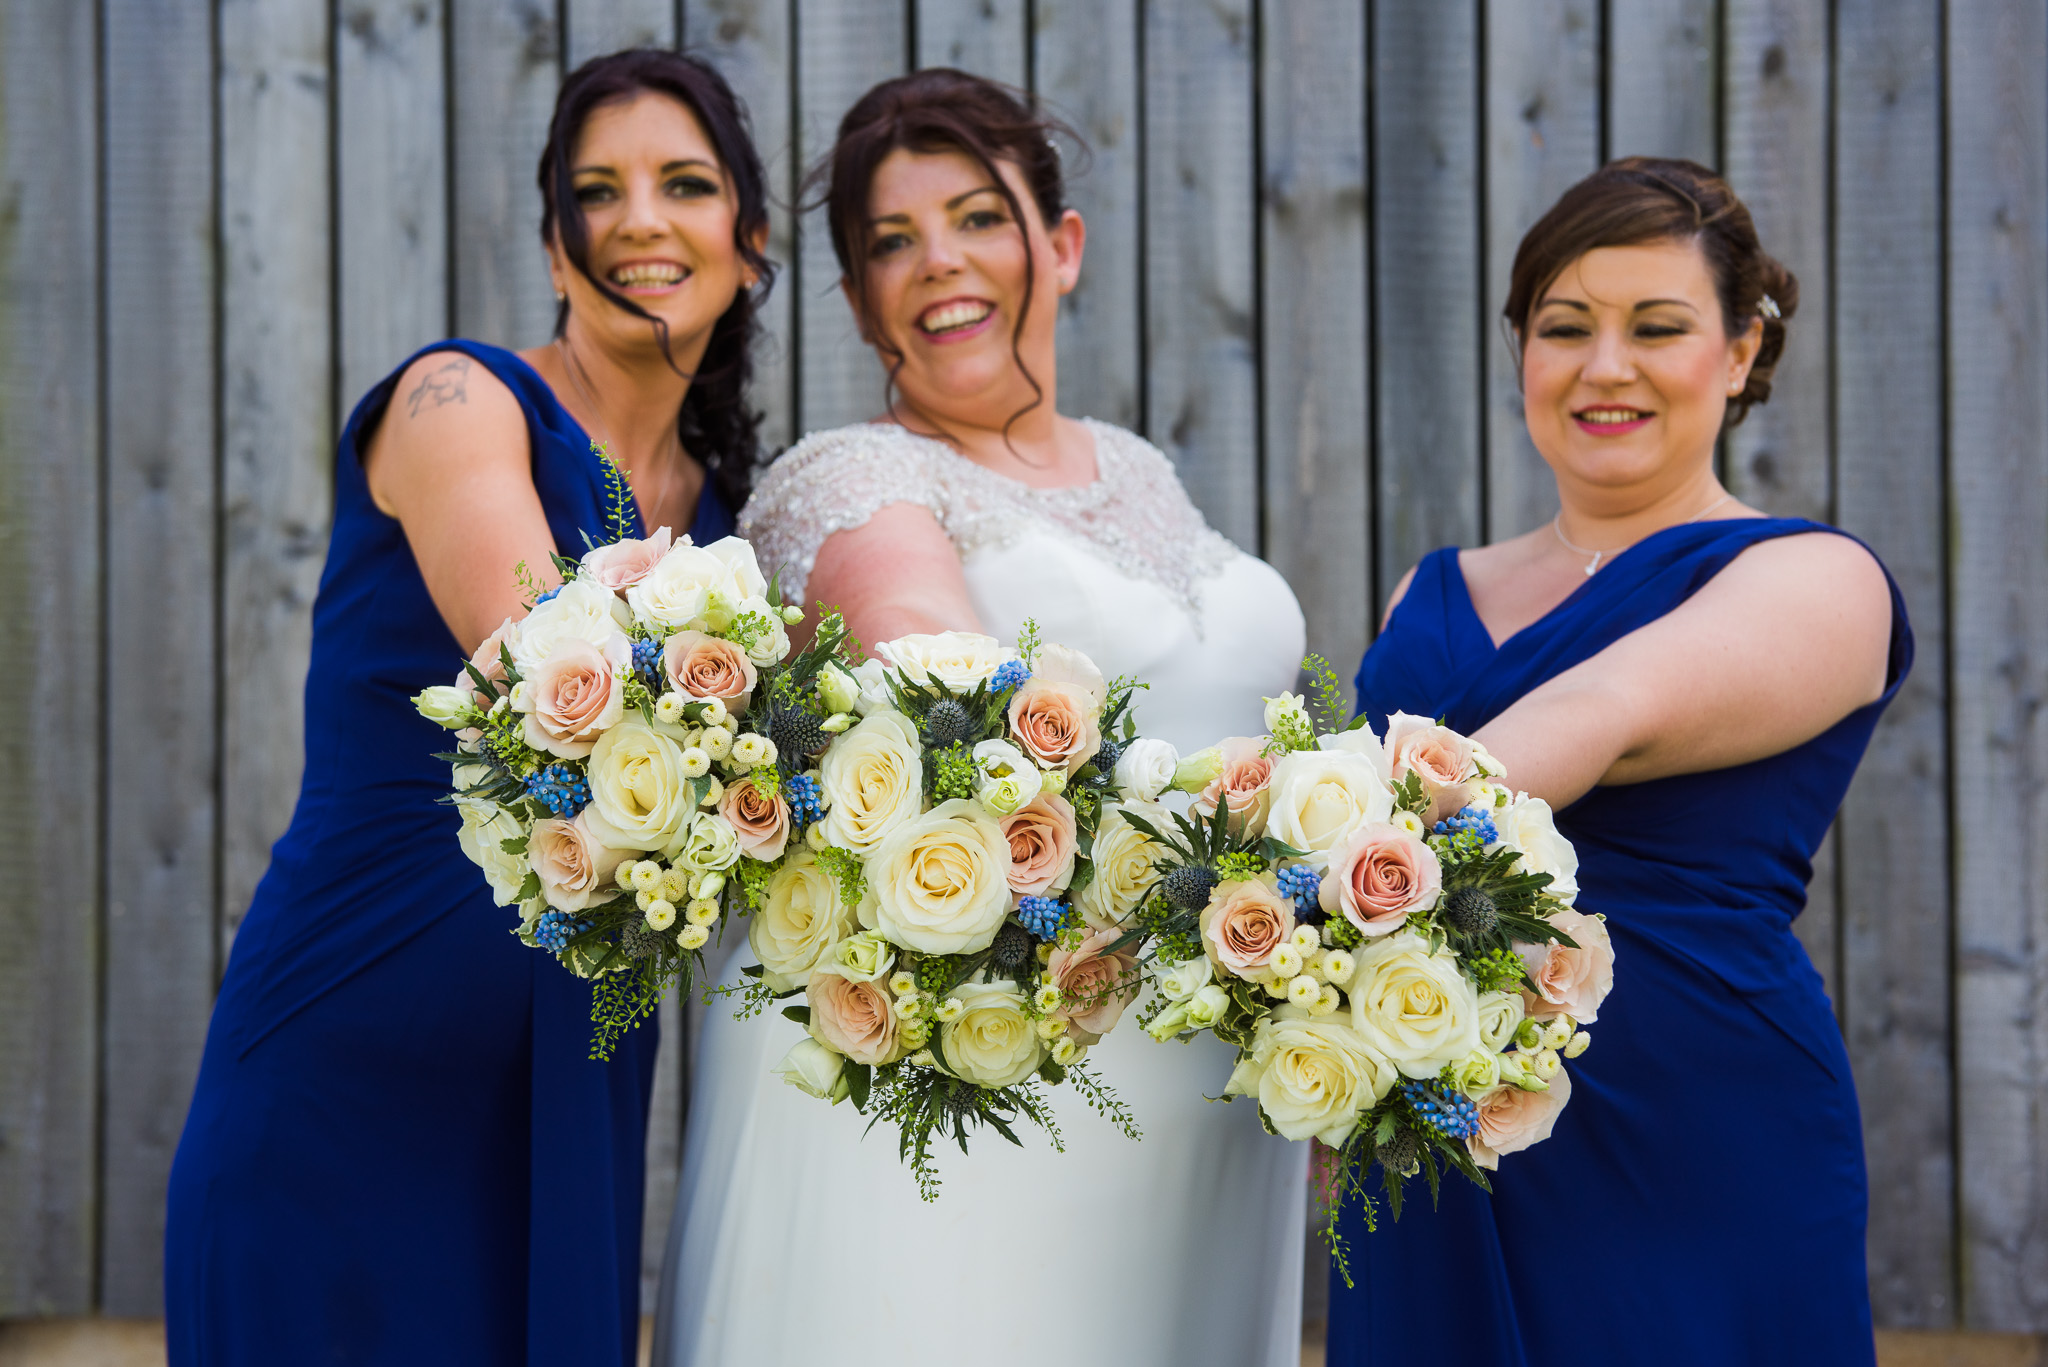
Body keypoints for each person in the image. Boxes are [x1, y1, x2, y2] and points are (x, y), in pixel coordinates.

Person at [654, 68, 1308, 1367]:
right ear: (856, 302)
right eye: (890, 241)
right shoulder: (849, 482)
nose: (937, 261)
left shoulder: (1144, 469)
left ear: (1058, 246)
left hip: (1205, 1096)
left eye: (976, 217)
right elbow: (940, 679)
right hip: (957, 1104)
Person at [164, 49, 772, 1366]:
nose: (642, 220)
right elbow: (543, 656)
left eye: (685, 183)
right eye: (598, 192)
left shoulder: (725, 519)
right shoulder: (459, 401)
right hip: (347, 1068)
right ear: (558, 241)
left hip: (569, 1081)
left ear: (750, 240)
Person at [1326, 157, 1908, 1366]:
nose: (1604, 367)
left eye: (1656, 327)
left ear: (1740, 350)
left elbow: (1608, 706)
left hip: (1687, 1115)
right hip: (1430, 1102)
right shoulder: (1423, 595)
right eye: (1562, 327)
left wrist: (1318, 889)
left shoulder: (1814, 576)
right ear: (1520, 350)